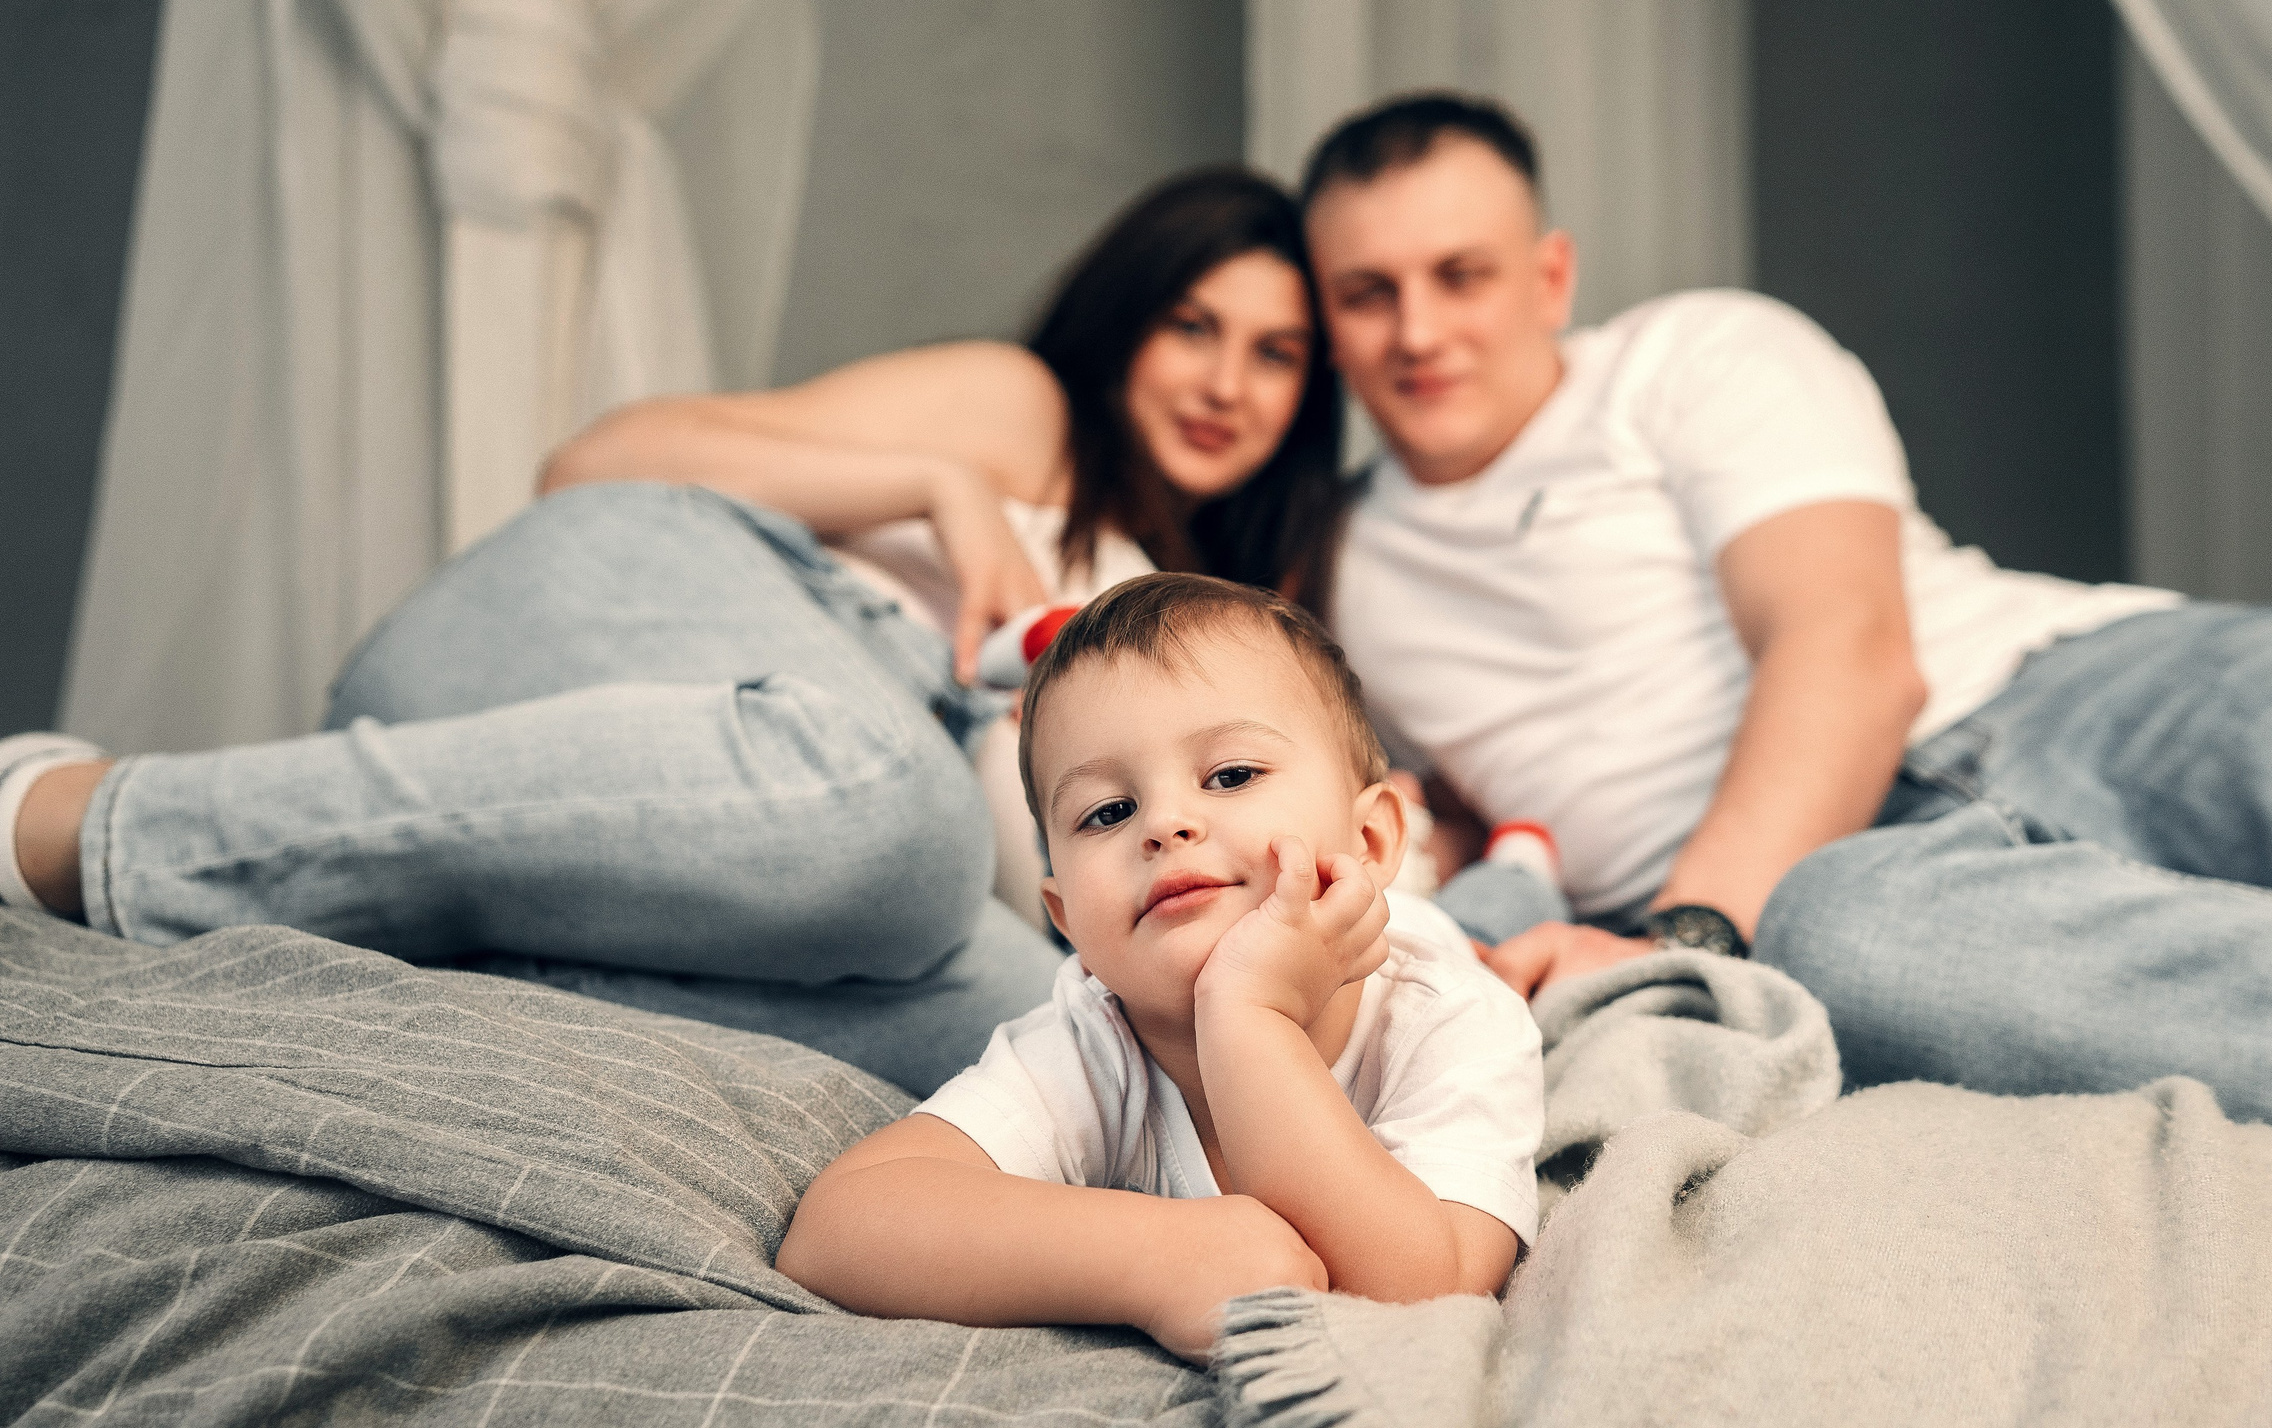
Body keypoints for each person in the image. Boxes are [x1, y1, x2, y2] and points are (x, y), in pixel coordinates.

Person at [1299, 92, 2272, 1140]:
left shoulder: (1694, 353)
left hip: (2064, 693)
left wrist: (1687, 940)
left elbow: (1846, 649)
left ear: (1549, 276)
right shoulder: (1332, 575)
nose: (1419, 331)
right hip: (1853, 890)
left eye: (1459, 276)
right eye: (1366, 293)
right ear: (1327, 324)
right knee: (1854, 944)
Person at [0, 167, 1351, 1098]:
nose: (1225, 383)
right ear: (1126, 321)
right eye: (1193, 326)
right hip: (610, 616)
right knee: (903, 822)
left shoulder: (1223, 610)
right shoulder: (1022, 413)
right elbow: (593, 462)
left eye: (1276, 353)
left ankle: (391, 955)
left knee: (1051, 1043)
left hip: (722, 846)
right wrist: (934, 487)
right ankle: (81, 822)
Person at [773, 573, 1542, 1361]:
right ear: (1068, 922)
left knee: (1498, 923)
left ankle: (1520, 862)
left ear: (1369, 841)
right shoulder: (1093, 1041)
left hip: (1418, 927)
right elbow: (836, 1232)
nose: (1166, 823)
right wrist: (1154, 1255)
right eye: (1108, 811)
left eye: (1231, 775)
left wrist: (1250, 1019)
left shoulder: (1453, 1017)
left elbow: (1427, 1290)